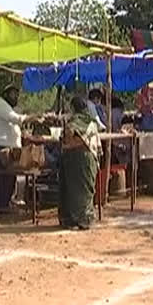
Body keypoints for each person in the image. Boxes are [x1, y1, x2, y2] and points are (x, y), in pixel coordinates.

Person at [0, 85, 35, 218]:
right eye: (13, 94)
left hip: (7, 148)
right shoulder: (1, 105)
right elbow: (16, 119)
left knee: (9, 178)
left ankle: (2, 206)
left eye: (17, 94)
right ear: (5, 94)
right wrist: (32, 118)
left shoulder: (7, 107)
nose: (16, 97)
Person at [59, 96, 101, 230]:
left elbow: (69, 131)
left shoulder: (77, 120)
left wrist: (66, 140)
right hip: (89, 159)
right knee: (84, 190)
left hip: (78, 159)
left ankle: (75, 219)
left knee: (75, 191)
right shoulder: (92, 120)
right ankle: (84, 219)